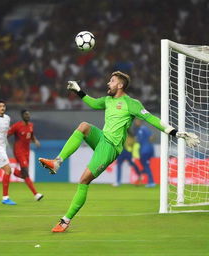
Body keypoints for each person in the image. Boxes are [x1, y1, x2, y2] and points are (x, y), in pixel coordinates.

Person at [39, 71, 200, 233]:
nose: (108, 83)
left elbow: (151, 119)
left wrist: (175, 132)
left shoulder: (132, 103)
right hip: (102, 139)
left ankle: (65, 221)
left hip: (111, 147)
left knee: (83, 181)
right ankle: (57, 162)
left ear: (120, 85)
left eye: (112, 81)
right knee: (83, 126)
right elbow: (94, 104)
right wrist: (79, 91)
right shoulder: (108, 100)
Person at [8, 110, 43, 201]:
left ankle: (13, 171)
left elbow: (31, 135)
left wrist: (35, 141)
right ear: (22, 116)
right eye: (26, 114)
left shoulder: (31, 125)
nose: (28, 116)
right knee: (25, 172)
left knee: (24, 174)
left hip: (27, 152)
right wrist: (8, 144)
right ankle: (36, 194)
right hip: (19, 151)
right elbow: (7, 135)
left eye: (28, 114)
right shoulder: (17, 126)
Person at [134, 119, 155, 187]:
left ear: (139, 122)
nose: (135, 123)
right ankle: (142, 178)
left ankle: (151, 182)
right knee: (145, 165)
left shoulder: (144, 129)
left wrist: (147, 144)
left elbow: (151, 136)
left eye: (136, 121)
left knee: (146, 165)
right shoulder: (139, 130)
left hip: (146, 150)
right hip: (143, 150)